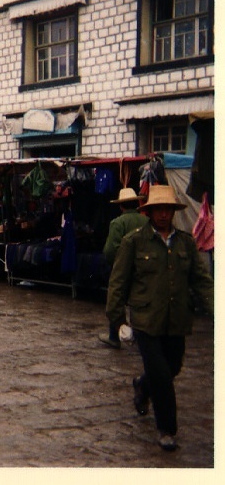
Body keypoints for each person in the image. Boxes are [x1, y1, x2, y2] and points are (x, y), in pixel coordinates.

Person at [106, 185, 213, 452]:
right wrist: (117, 319)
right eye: (158, 210)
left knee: (173, 367)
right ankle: (167, 429)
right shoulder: (134, 241)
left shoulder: (185, 243)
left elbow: (202, 282)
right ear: (149, 212)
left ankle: (142, 384)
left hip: (176, 320)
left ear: (173, 212)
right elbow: (118, 282)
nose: (163, 215)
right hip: (146, 320)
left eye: (167, 209)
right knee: (162, 377)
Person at [98, 187, 148, 348]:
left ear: (121, 206)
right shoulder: (146, 221)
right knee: (140, 302)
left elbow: (110, 250)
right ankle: (142, 338)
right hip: (145, 268)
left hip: (125, 270)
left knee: (117, 300)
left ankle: (115, 336)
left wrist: (117, 265)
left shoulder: (118, 223)